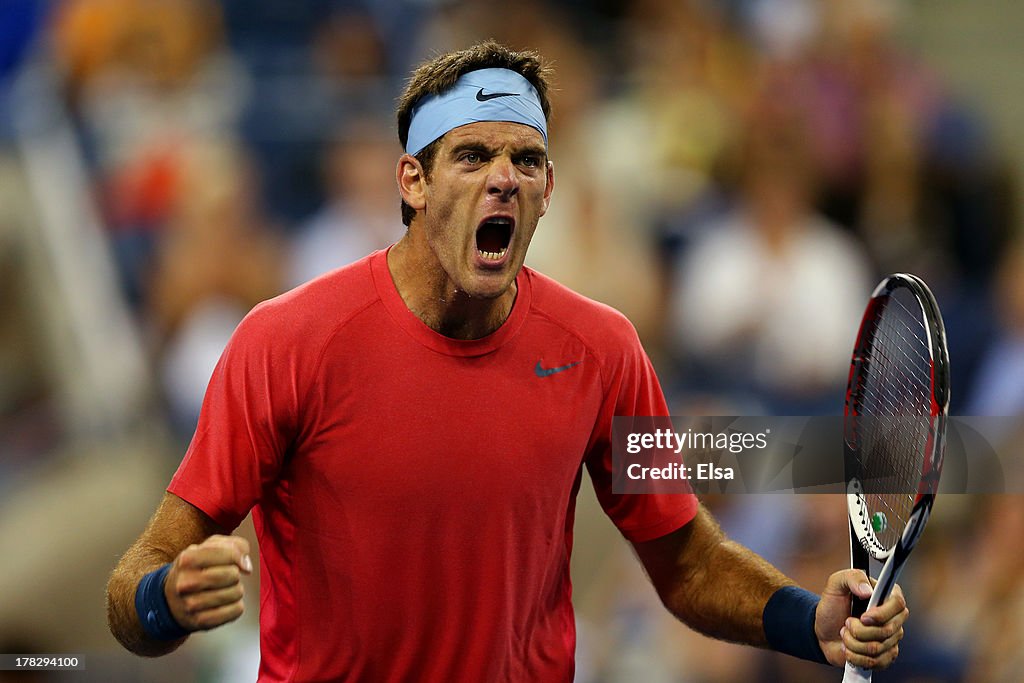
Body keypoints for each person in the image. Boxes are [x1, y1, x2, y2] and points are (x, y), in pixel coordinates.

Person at [106, 41, 908, 682]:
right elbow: (135, 581)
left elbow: (688, 561)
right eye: (473, 155)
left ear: (550, 187)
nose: (504, 179)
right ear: (412, 181)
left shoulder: (604, 349)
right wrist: (165, 600)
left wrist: (809, 619)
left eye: (526, 161)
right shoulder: (284, 342)